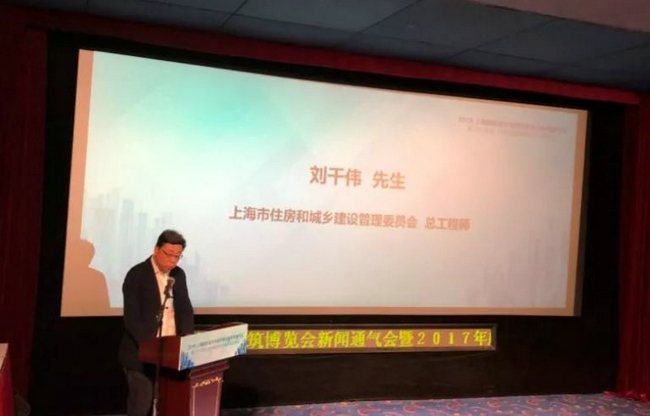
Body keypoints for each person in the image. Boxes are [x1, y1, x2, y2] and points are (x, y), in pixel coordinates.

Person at [119, 229, 194, 416]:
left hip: (171, 355)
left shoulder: (179, 274)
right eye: (169, 254)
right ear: (156, 250)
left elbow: (185, 310)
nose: (173, 260)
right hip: (141, 355)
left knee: (170, 405)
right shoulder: (137, 274)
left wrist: (186, 343)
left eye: (178, 256)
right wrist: (151, 349)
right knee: (141, 406)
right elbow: (132, 320)